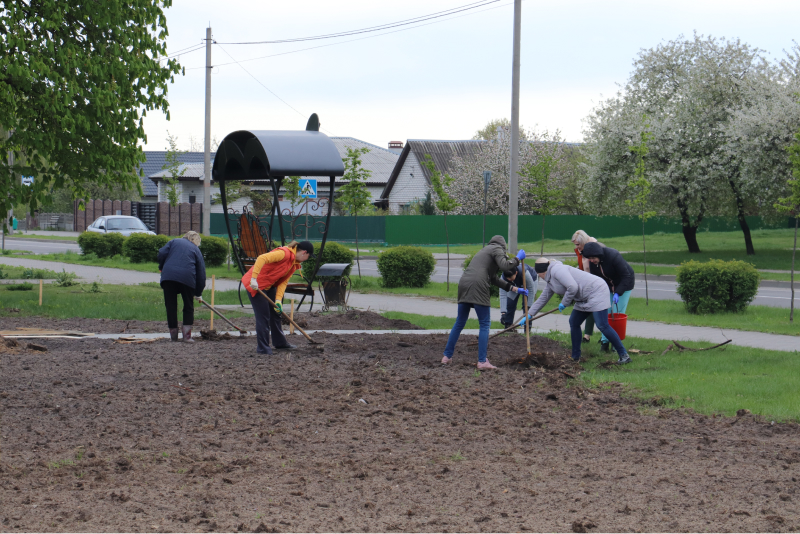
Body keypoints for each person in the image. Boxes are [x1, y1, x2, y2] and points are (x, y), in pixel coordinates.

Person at [442, 235, 528, 370]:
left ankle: (446, 357)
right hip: (478, 286)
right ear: (503, 246)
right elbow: (505, 266)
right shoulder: (497, 249)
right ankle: (482, 361)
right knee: (484, 324)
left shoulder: (485, 250)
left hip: (464, 283)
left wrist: (514, 289)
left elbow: (493, 278)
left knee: (460, 322)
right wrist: (517, 258)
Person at [523, 257, 631, 364]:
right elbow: (543, 298)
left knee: (602, 325)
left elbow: (572, 286)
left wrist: (564, 303)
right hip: (583, 297)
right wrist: (529, 314)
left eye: (539, 275)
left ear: (543, 272)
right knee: (574, 322)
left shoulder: (557, 270)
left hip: (597, 291)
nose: (540, 277)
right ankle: (575, 357)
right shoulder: (550, 280)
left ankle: (624, 355)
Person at [243, 240, 314, 355]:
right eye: (308, 256)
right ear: (304, 252)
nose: (307, 259)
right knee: (263, 316)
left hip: (269, 286)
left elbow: (283, 282)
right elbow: (261, 258)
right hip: (255, 285)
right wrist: (254, 278)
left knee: (276, 313)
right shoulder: (284, 253)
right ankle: (263, 348)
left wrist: (278, 300)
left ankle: (280, 343)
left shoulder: (293, 263)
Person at [581, 242, 635, 353]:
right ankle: (604, 342)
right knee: (606, 313)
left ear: (598, 254)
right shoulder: (592, 262)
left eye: (593, 258)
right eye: (589, 258)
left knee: (616, 314)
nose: (591, 260)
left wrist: (618, 292)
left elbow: (626, 276)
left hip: (624, 284)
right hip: (608, 286)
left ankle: (615, 346)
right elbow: (596, 279)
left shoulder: (613, 256)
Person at [158, 231, 206, 342]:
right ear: (196, 241)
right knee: (188, 306)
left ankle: (173, 337)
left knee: (171, 306)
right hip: (187, 278)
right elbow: (201, 273)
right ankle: (187, 337)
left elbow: (161, 253)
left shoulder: (174, 241)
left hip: (168, 277)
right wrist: (198, 293)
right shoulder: (196, 249)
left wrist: (162, 266)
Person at [571, 230, 604, 344]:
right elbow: (583, 267)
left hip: (597, 283)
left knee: (599, 309)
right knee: (591, 308)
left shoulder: (596, 249)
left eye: (577, 244)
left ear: (583, 241)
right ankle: (587, 336)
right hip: (588, 282)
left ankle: (603, 338)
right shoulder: (581, 250)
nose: (576, 247)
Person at [499, 263, 538, 329]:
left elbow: (531, 290)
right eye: (508, 279)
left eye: (511, 278)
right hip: (514, 285)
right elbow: (503, 294)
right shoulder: (503, 277)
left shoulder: (525, 273)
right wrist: (503, 313)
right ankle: (508, 327)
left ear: (516, 273)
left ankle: (527, 328)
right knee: (510, 304)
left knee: (526, 307)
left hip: (530, 284)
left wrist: (529, 307)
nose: (509, 280)